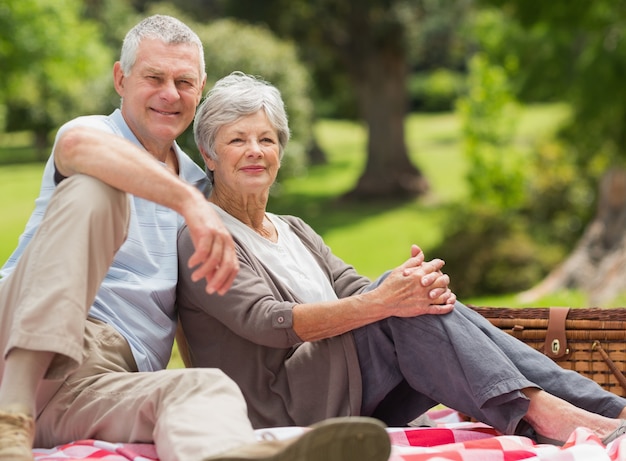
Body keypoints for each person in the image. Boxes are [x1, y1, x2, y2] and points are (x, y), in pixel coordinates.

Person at [0, 16, 392, 461]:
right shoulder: (92, 135)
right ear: (120, 79)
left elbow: (196, 306)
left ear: (200, 88)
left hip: (100, 380)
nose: (170, 94)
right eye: (154, 77)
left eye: (184, 81)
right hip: (15, 338)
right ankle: (9, 416)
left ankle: (234, 454)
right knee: (96, 189)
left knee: (205, 385)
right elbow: (76, 153)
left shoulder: (200, 186)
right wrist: (188, 204)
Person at [177, 71, 626, 446]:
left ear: (280, 151)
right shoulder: (204, 237)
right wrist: (387, 301)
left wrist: (410, 285)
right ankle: (550, 415)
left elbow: (353, 287)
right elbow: (268, 322)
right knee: (401, 307)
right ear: (210, 156)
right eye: (238, 140)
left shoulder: (293, 228)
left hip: (349, 394)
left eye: (267, 139)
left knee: (416, 299)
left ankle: (609, 411)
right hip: (283, 410)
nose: (256, 151)